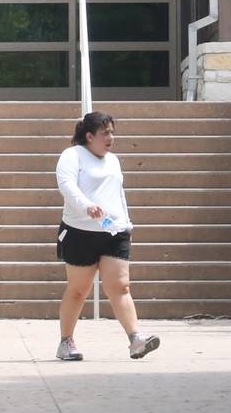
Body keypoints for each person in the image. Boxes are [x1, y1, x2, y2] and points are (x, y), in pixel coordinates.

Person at [55, 111, 160, 361]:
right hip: (80, 232)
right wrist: (86, 206)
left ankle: (136, 339)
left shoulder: (113, 160)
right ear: (89, 136)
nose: (111, 137)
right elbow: (66, 185)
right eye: (105, 133)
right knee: (79, 290)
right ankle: (65, 342)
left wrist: (126, 223)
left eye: (112, 132)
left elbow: (118, 192)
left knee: (121, 286)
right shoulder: (72, 156)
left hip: (114, 232)